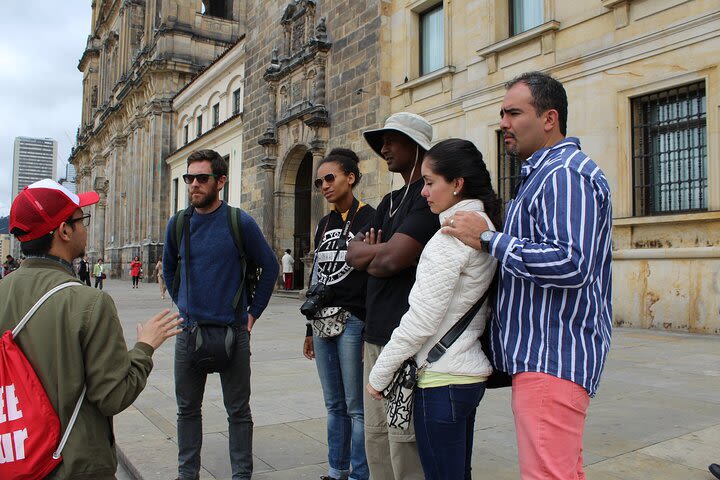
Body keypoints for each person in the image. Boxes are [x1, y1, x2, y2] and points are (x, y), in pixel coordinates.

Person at [444, 71, 613, 480]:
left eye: (514, 112)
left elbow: (571, 263)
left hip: (552, 357)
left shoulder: (564, 174)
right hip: (542, 358)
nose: (504, 122)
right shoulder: (542, 173)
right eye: (503, 113)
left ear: (549, 118)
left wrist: (487, 239)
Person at [0, 178, 181, 479]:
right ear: (64, 230)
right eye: (81, 219)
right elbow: (112, 395)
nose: (85, 228)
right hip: (73, 465)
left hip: (15, 458)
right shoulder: (90, 303)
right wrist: (145, 347)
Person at [366, 139, 500, 480]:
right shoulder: (481, 225)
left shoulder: (450, 236)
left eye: (429, 182)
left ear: (457, 184)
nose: (423, 192)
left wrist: (379, 374)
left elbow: (421, 319)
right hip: (465, 373)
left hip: (442, 379)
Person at [163, 149, 279, 480]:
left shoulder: (238, 221)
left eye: (202, 178)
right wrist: (183, 303)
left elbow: (269, 266)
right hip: (189, 333)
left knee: (238, 412)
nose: (194, 185)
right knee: (187, 411)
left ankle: (241, 475)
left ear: (221, 181)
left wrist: (252, 314)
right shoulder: (179, 224)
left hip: (233, 332)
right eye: (190, 178)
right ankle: (187, 475)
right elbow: (171, 269)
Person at [346, 112, 438, 480]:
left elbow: (393, 259)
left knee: (404, 441)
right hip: (374, 331)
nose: (383, 148)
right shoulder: (388, 202)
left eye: (391, 139)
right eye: (381, 141)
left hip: (405, 338)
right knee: (376, 437)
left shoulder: (428, 198)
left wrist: (379, 254)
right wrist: (377, 255)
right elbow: (353, 253)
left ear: (416, 146)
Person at [302, 148, 374, 480]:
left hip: (353, 320)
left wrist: (369, 330)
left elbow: (375, 274)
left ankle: (359, 474)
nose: (324, 186)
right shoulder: (324, 223)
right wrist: (307, 329)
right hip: (321, 320)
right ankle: (336, 470)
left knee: (355, 407)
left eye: (330, 178)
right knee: (333, 404)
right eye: (319, 182)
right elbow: (317, 274)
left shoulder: (370, 217)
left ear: (351, 177)